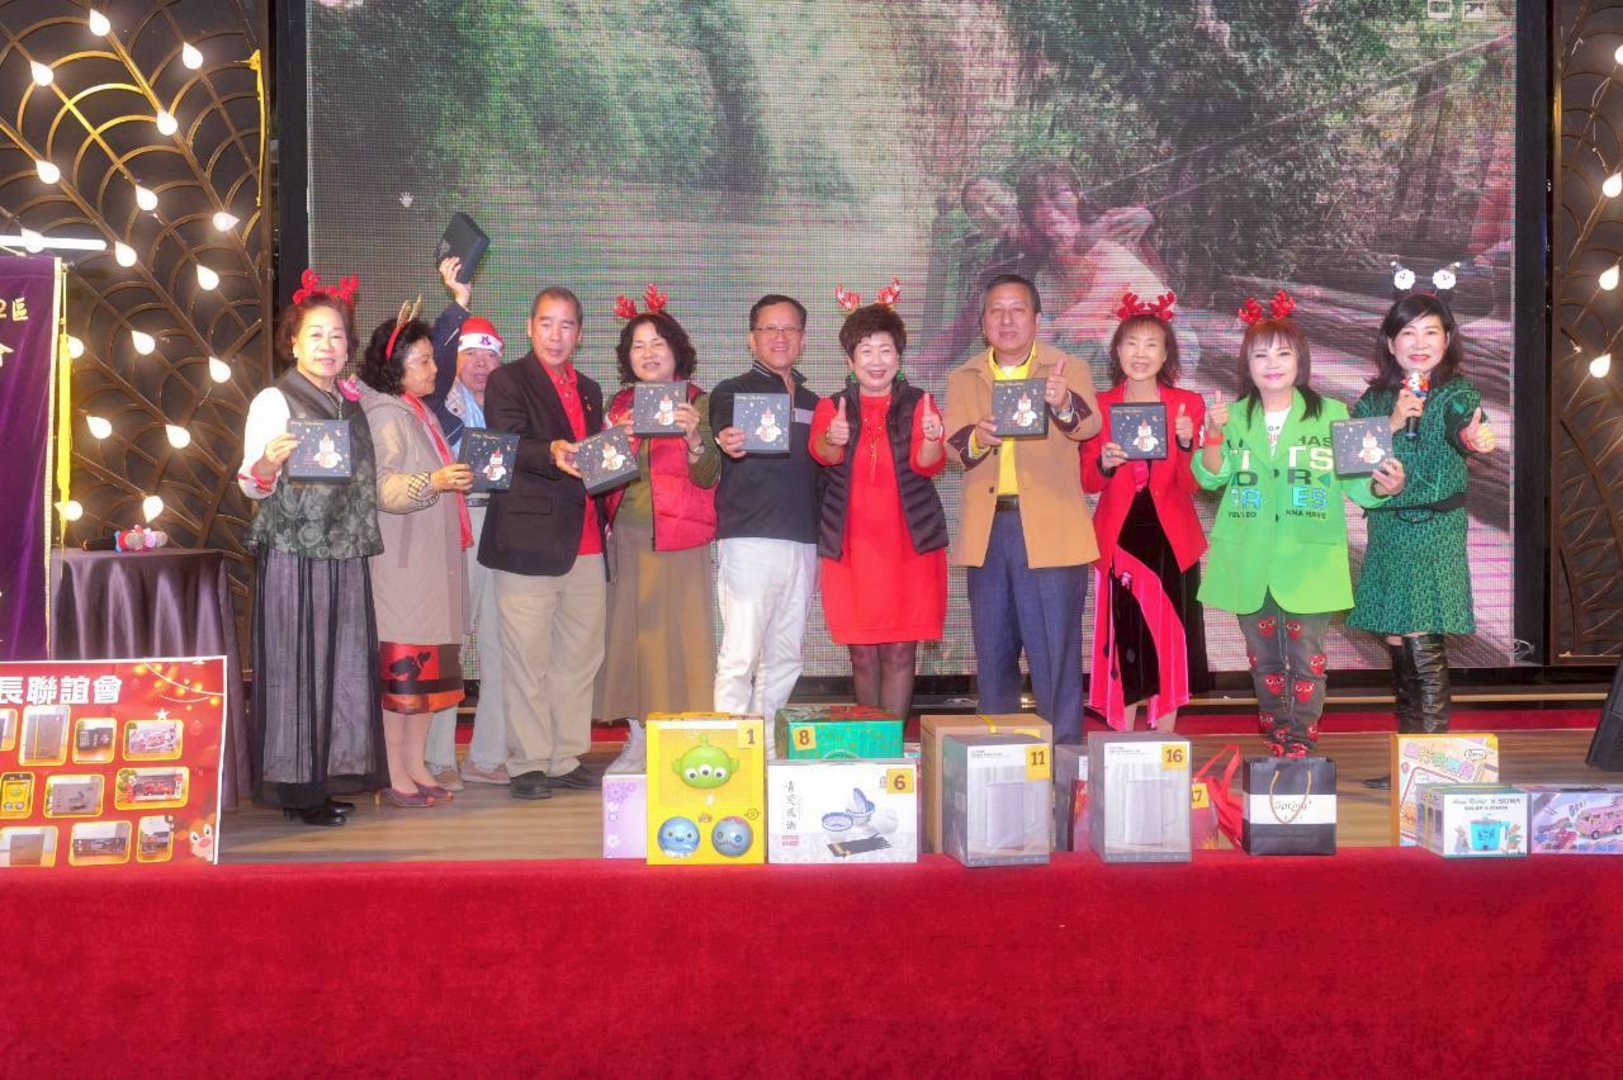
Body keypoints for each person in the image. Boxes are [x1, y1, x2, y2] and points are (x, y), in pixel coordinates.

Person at [1193, 291, 1407, 756]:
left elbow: (1358, 484)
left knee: (1306, 656)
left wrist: (1384, 486)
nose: (1272, 364)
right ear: (1246, 364)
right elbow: (1210, 476)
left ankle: (1301, 737)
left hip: (1309, 558)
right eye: (1260, 355)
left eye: (1283, 354)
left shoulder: (1332, 413)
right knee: (1263, 659)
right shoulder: (1232, 416)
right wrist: (1212, 434)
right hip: (1249, 556)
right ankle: (1275, 732)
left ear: (1300, 361)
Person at [237, 271, 386, 827]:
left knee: (341, 666)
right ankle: (297, 790)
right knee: (297, 667)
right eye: (316, 335)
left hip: (344, 553)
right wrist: (268, 462)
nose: (328, 346)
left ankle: (324, 777)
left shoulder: (349, 402)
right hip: (295, 555)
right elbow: (251, 485)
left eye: (338, 336)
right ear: (293, 342)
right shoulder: (274, 399)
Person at [943, 273, 1102, 744]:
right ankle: (1000, 760)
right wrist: (978, 437)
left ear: (1036, 318)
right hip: (989, 532)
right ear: (982, 323)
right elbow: (953, 448)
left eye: (1017, 309)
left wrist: (1062, 402)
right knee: (993, 655)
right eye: (996, 310)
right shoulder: (964, 376)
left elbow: (1088, 426)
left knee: (1055, 655)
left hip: (1052, 531)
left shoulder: (1066, 368)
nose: (1007, 319)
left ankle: (1062, 761)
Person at [1347, 292, 1496, 788]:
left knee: (1421, 639)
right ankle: (1410, 764)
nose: (1420, 342)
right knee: (1399, 643)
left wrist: (1476, 438)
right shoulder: (1373, 401)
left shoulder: (1458, 393)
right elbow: (1352, 464)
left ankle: (1430, 770)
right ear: (1390, 343)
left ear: (1447, 339)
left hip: (1433, 530)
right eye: (1408, 332)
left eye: (1431, 332)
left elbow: (1468, 429)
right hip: (1388, 529)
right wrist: (1391, 423)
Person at [479, 286, 606, 800]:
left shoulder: (591, 389)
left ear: (579, 333)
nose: (556, 335)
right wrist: (549, 450)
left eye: (566, 325)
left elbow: (592, 460)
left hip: (587, 540)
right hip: (527, 539)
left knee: (579, 658)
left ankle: (564, 756)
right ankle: (528, 761)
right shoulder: (507, 380)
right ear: (529, 327)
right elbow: (506, 443)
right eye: (547, 323)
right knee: (527, 659)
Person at [809, 292, 948, 719]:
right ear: (849, 361)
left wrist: (934, 437)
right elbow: (822, 453)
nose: (876, 360)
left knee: (902, 652)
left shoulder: (921, 403)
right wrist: (832, 437)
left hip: (910, 547)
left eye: (885, 350)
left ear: (898, 358)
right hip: (851, 549)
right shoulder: (831, 406)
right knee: (863, 655)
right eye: (865, 350)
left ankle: (893, 747)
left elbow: (927, 464)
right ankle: (871, 745)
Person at [358, 314, 475, 807]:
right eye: (423, 361)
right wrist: (435, 481)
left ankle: (416, 763)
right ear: (396, 368)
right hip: (403, 569)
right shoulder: (386, 415)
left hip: (429, 564)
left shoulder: (415, 410)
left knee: (428, 679)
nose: (434, 369)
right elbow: (381, 488)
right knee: (402, 679)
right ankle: (393, 768)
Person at [1080, 294, 1208, 732]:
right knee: (1125, 635)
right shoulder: (1100, 405)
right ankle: (1122, 739)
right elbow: (1088, 480)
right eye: (1131, 344)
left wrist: (1188, 443)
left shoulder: (1187, 405)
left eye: (1152, 344)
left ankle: (1164, 741)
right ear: (1116, 351)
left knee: (1169, 635)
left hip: (1171, 537)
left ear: (1166, 354)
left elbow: (1193, 483)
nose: (1141, 353)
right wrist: (1104, 464)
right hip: (1119, 536)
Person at [595, 291, 721, 724]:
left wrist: (694, 439)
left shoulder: (699, 401)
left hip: (682, 537)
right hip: (627, 535)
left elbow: (709, 475)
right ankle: (637, 735)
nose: (648, 354)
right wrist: (617, 438)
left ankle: (681, 734)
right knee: (631, 641)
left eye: (657, 344)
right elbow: (600, 478)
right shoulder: (618, 405)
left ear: (676, 350)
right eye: (638, 346)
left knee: (681, 641)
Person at [709, 294, 822, 735]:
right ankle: (731, 749)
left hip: (803, 541)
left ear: (803, 339)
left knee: (786, 656)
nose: (780, 337)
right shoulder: (731, 391)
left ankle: (768, 747)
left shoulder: (816, 403)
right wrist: (727, 437)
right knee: (740, 654)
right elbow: (724, 428)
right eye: (769, 328)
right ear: (751, 339)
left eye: (789, 328)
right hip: (749, 540)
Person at [420, 256, 511, 790]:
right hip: (455, 524)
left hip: (500, 526)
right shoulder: (438, 403)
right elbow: (437, 348)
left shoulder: (507, 406)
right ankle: (437, 757)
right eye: (470, 354)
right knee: (449, 641)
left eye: (489, 355)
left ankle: (488, 754)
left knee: (502, 644)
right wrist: (458, 302)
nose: (480, 364)